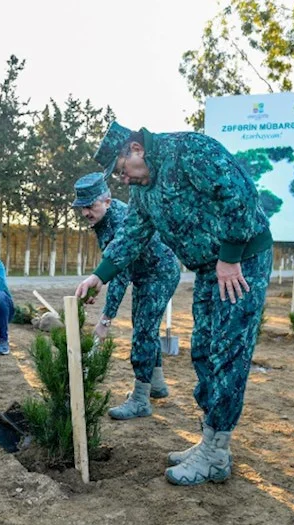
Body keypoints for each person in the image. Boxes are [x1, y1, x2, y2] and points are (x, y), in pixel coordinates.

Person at [75, 121, 273, 486]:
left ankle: (215, 455)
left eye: (121, 171)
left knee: (227, 353)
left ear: (136, 149)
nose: (125, 181)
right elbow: (132, 234)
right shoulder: (144, 193)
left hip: (241, 263)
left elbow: (239, 194)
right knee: (203, 350)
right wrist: (98, 275)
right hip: (209, 269)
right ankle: (212, 443)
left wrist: (230, 257)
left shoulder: (189, 151)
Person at [72, 173, 180, 420]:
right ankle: (157, 385)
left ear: (107, 201)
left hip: (158, 271)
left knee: (142, 331)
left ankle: (141, 400)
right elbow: (113, 265)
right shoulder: (102, 220)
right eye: (82, 208)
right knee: (146, 327)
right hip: (146, 272)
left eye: (91, 206)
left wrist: (105, 321)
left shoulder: (119, 219)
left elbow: (121, 272)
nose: (86, 212)